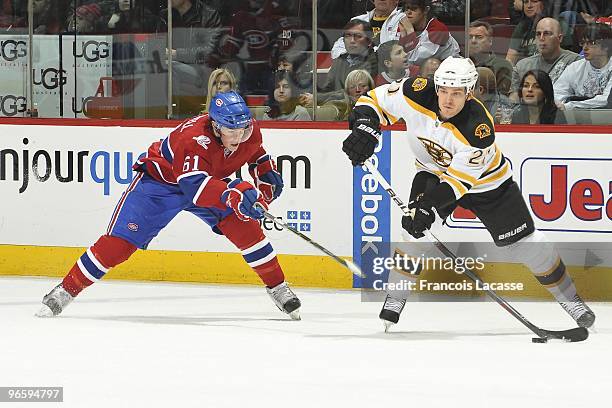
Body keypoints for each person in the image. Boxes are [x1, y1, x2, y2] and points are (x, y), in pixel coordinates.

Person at [341, 56, 595, 330]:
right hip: (432, 171)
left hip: (488, 183)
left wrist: (427, 206)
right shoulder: (414, 91)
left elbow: (457, 184)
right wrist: (365, 127)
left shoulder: (478, 129)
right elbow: (371, 101)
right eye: (444, 91)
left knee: (527, 245)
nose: (448, 99)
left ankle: (571, 300)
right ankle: (395, 298)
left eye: (457, 93)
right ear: (436, 86)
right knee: (414, 235)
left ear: (469, 92)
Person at [36, 91, 301, 320]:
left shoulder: (247, 131)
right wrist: (235, 193)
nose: (239, 135)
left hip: (207, 183)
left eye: (243, 129)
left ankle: (278, 287)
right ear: (217, 126)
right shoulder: (194, 140)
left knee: (247, 229)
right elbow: (195, 188)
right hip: (160, 185)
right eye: (232, 130)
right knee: (119, 245)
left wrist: (264, 171)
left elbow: (254, 151)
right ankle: (65, 290)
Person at [300, 19, 378, 107]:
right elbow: (327, 88)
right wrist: (309, 96)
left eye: (358, 36)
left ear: (369, 41)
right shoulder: (339, 60)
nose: (352, 40)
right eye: (348, 35)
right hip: (335, 108)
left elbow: (354, 92)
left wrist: (317, 98)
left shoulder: (374, 61)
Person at [510, 17, 581, 101]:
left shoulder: (576, 62)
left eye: (547, 33)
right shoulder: (522, 66)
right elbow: (513, 100)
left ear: (560, 38)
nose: (541, 38)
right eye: (538, 34)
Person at [554, 22, 612, 110]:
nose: (585, 47)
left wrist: (571, 105)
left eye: (591, 43)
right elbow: (556, 93)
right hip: (577, 119)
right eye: (583, 43)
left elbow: (606, 100)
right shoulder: (575, 67)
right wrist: (563, 103)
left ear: (606, 46)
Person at [330, 0, 406, 59]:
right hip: (355, 68)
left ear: (396, 0)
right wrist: (352, 58)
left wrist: (362, 55)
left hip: (386, 72)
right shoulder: (357, 19)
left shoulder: (403, 20)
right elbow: (337, 49)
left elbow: (395, 50)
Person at [400, 0, 460, 73]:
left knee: (431, 64)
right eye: (406, 9)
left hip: (450, 67)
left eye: (414, 8)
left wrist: (409, 32)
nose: (408, 12)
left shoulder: (438, 29)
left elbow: (415, 59)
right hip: (422, 66)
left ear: (426, 10)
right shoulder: (404, 25)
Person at [468, 21, 513, 96]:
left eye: (479, 37)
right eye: (470, 37)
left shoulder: (501, 66)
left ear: (490, 41)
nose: (473, 41)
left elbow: (501, 100)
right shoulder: (461, 63)